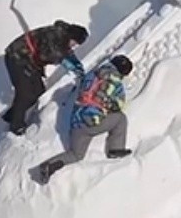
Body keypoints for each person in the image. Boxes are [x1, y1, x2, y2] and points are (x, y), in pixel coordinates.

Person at [32, 54, 134, 183]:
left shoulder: (92, 74)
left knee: (76, 154)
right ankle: (115, 149)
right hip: (92, 122)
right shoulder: (115, 81)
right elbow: (119, 105)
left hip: (77, 121)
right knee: (120, 119)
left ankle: (48, 166)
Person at [2, 21, 88, 136]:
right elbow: (48, 54)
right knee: (24, 92)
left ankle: (12, 115)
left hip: (30, 62)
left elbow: (65, 52)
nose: (74, 46)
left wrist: (76, 64)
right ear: (71, 36)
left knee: (38, 91)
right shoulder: (54, 34)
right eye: (75, 42)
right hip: (17, 57)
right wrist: (65, 61)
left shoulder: (62, 38)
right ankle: (16, 126)